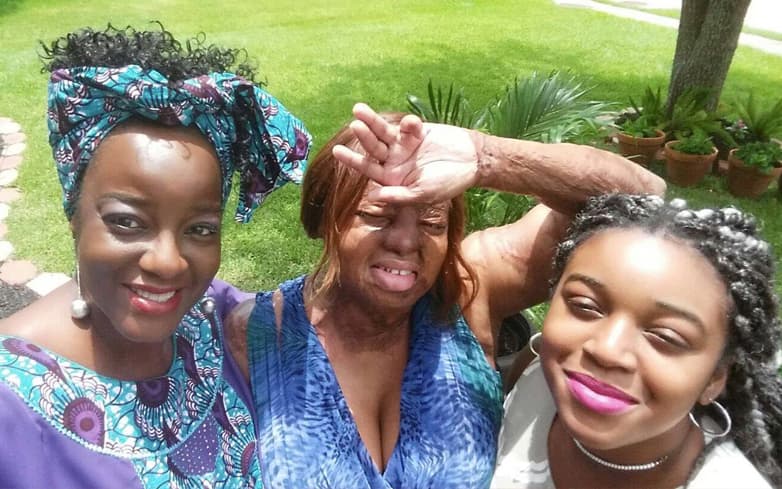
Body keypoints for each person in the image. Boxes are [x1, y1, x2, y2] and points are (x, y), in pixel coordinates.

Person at [226, 105, 666, 488]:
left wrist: (485, 156)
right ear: (325, 221)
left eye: (432, 222)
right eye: (378, 214)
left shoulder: (465, 292)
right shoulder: (258, 337)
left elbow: (641, 198)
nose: (406, 241)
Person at [0, 24, 310, 488]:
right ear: (73, 214)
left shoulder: (220, 323)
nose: (168, 262)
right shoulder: (10, 404)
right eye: (128, 221)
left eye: (200, 229)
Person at [492, 194, 782, 489]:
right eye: (584, 305)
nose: (607, 350)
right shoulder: (537, 378)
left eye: (666, 336)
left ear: (715, 379)